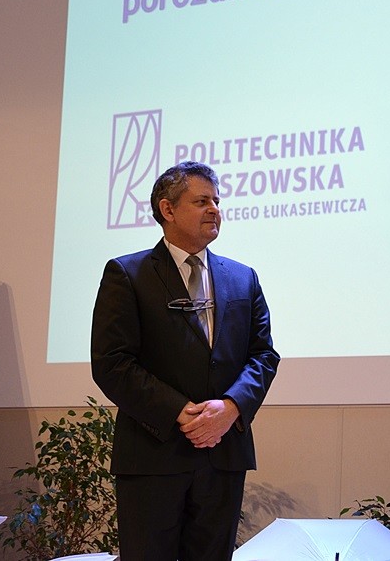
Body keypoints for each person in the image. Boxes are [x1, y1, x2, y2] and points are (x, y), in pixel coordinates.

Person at [92, 161, 280, 561]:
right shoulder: (127, 274)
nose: (214, 209)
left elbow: (264, 355)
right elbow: (112, 363)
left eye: (217, 201)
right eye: (201, 201)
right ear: (168, 209)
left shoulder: (243, 278)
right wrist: (181, 412)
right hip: (153, 455)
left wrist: (230, 408)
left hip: (223, 454)